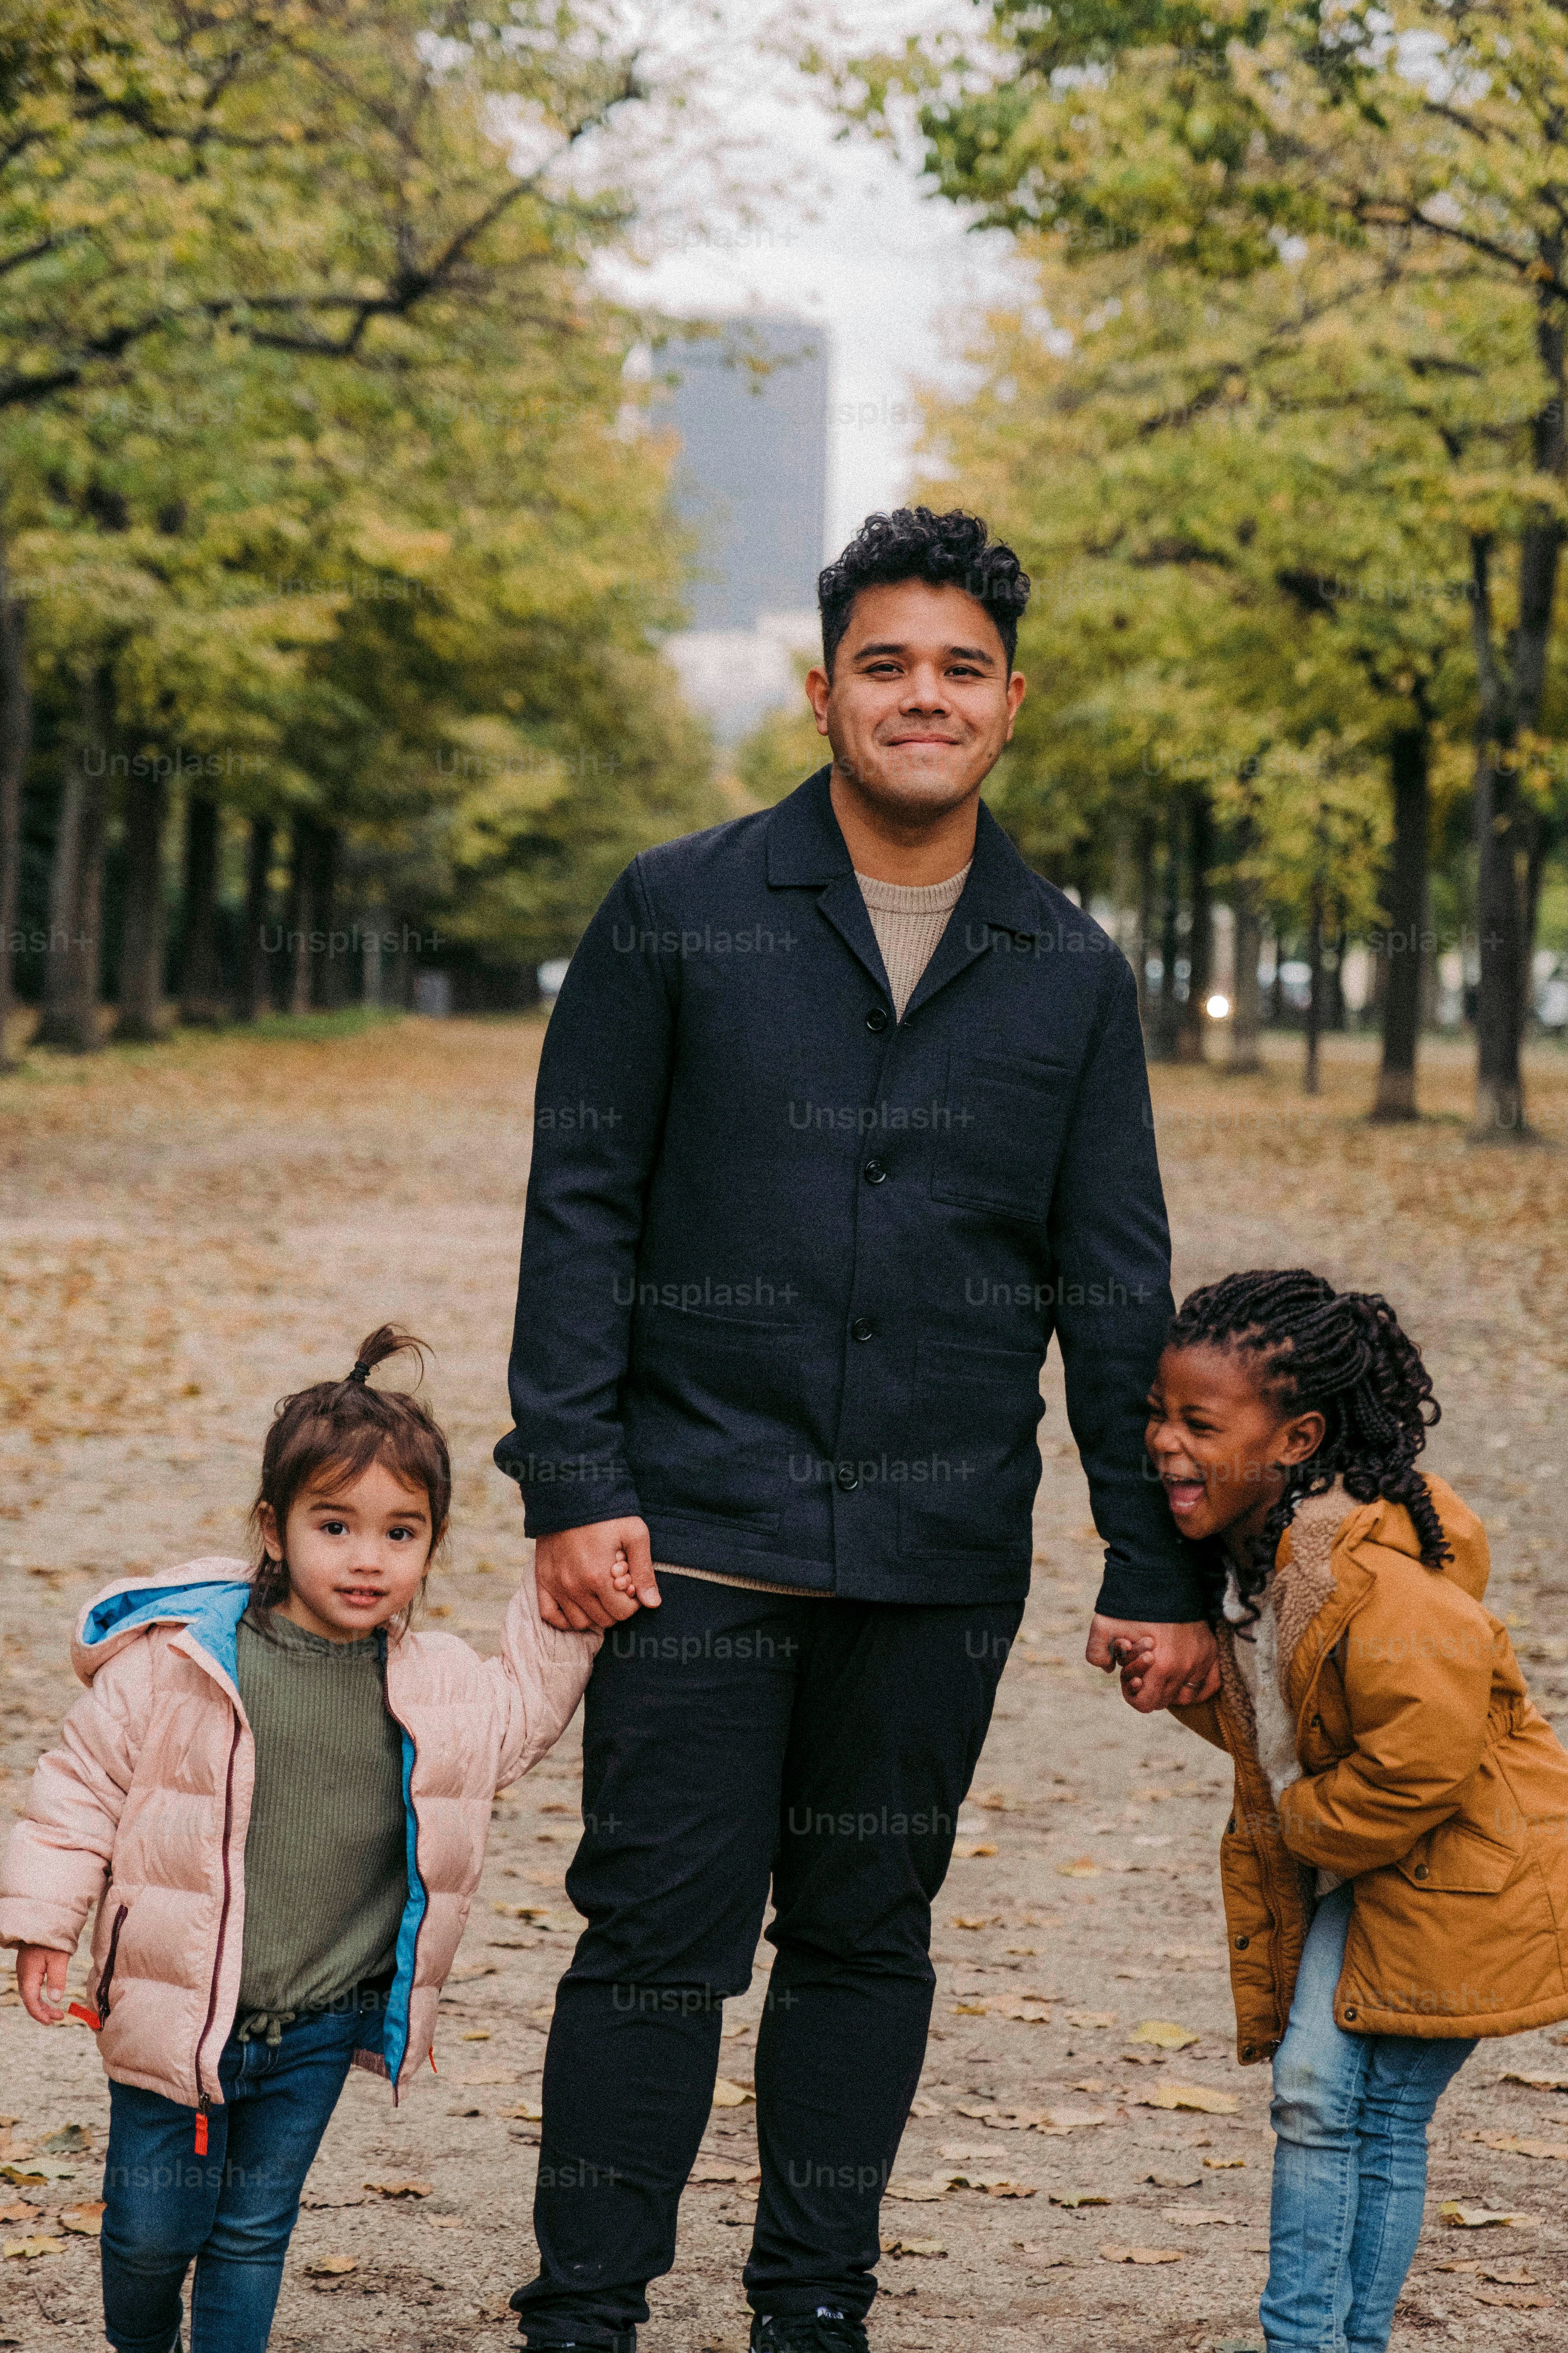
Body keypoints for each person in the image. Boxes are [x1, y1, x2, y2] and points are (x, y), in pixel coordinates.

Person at [495, 504, 1220, 2353]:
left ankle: (812, 2307)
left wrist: (1153, 1558)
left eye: (961, 668)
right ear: (822, 693)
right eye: (883, 664)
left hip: (934, 1552)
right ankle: (584, 2312)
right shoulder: (675, 907)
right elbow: (581, 1207)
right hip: (691, 1531)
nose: (923, 696)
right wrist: (569, 1479)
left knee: (864, 1940)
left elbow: (1111, 1278)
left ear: (1010, 703)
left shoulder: (1068, 966)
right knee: (655, 1940)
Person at [0, 1327, 598, 2353]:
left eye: (401, 1531)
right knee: (149, 2237)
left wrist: (579, 1582)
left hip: (318, 2021)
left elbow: (524, 1708)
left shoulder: (435, 1689)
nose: (368, 1557)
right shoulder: (181, 1664)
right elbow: (78, 1786)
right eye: (335, 1524)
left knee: (251, 2233)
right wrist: (44, 1921)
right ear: (273, 1531)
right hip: (175, 2009)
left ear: (432, 1544)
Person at [1133, 1269, 1568, 2353]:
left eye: (1198, 1423)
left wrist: (1299, 1824)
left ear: (1298, 1438)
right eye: (1157, 1413)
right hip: (1382, 1859)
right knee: (1328, 2099)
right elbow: (1297, 1724)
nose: (1164, 1442)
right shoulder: (1260, 1555)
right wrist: (1186, 1680)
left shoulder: (1367, 1577)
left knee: (1345, 2102)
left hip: (1468, 1871)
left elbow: (1423, 1754)